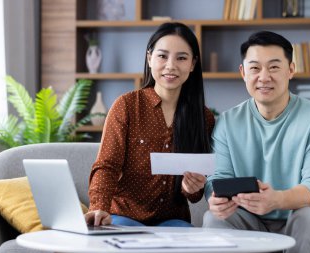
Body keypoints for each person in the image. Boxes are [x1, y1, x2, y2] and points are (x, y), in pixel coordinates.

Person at [203, 31, 310, 252]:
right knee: (214, 219)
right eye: (255, 68)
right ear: (243, 72)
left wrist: (278, 199)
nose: (264, 77)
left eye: (273, 67)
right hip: (253, 223)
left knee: (305, 218)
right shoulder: (226, 123)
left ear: (291, 70)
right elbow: (218, 179)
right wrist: (216, 200)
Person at [84, 22, 215, 227]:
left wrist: (192, 188)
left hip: (173, 220)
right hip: (125, 216)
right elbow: (106, 166)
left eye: (181, 58)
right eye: (162, 56)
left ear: (192, 64)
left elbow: (195, 194)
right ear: (149, 58)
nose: (171, 65)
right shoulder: (126, 106)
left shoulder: (203, 117)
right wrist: (98, 206)